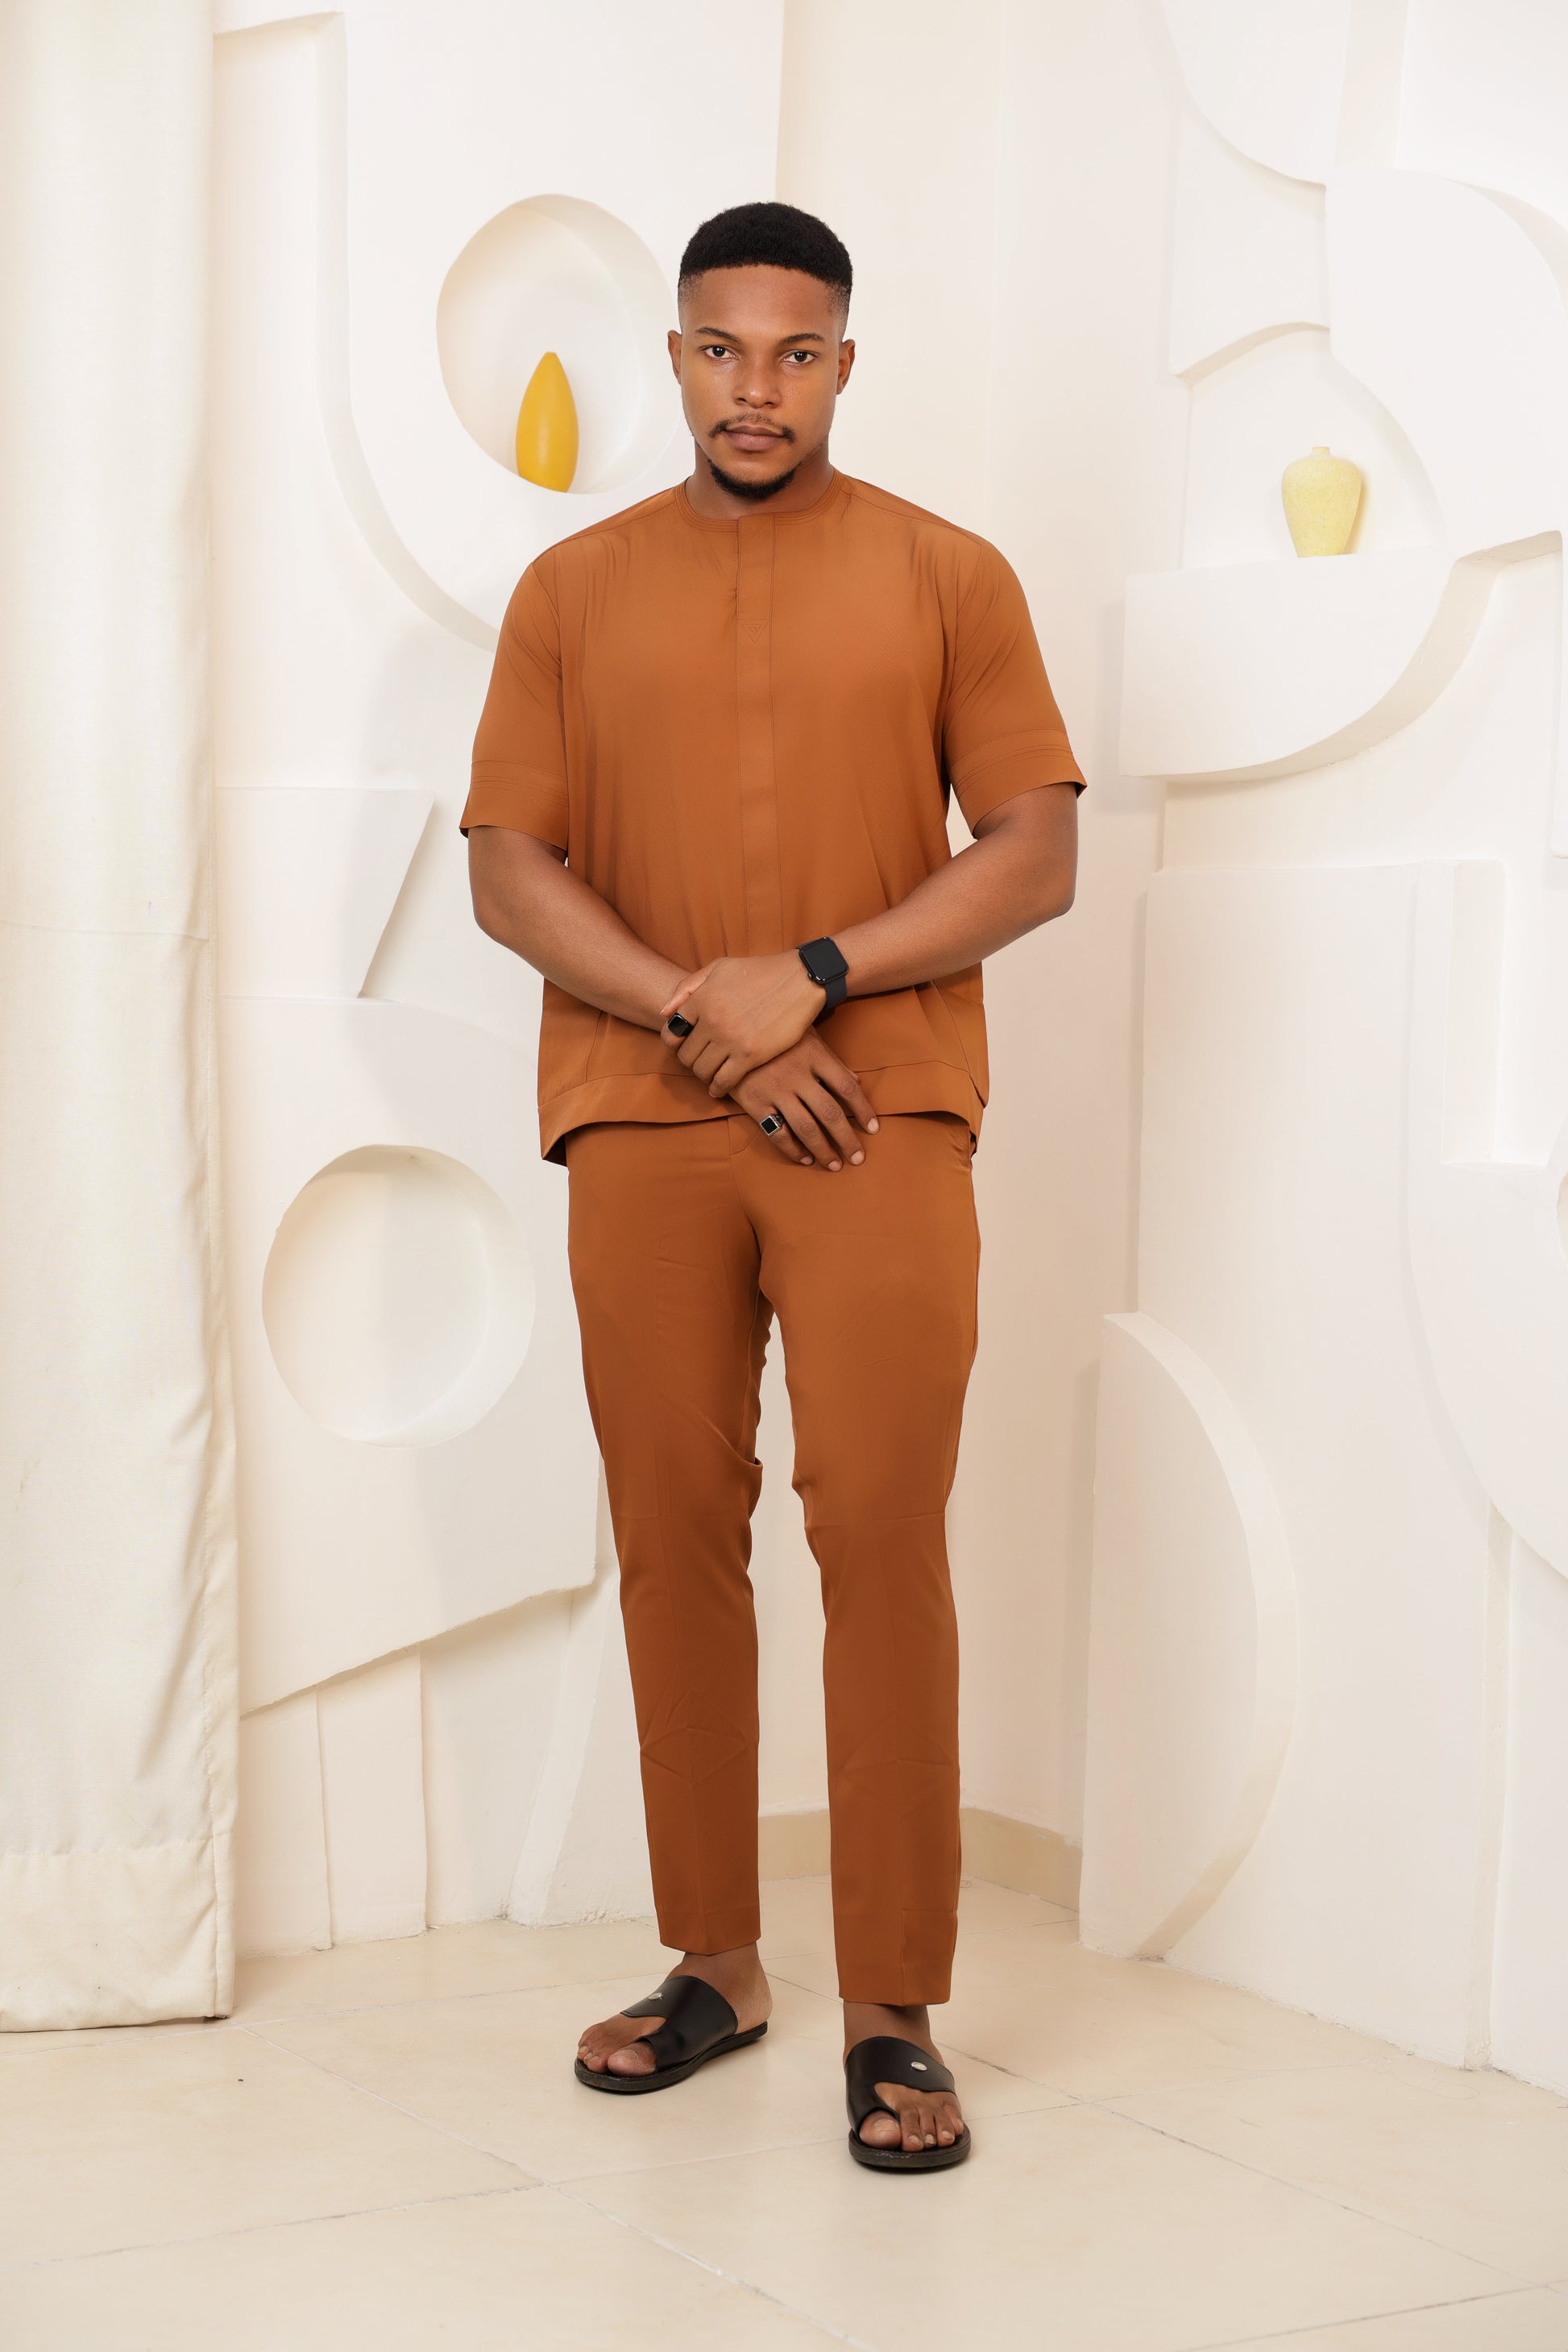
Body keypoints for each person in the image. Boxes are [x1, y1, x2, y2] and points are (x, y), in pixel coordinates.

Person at [462, 200, 1085, 2172]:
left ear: (843, 362)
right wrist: (703, 1010)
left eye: (794, 353)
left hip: (878, 1110)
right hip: (640, 1115)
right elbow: (508, 868)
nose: (757, 387)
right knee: (673, 1531)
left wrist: (813, 973)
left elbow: (1036, 847)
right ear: (673, 357)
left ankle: (894, 2003)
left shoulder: (948, 573)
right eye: (721, 349)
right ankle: (715, 1962)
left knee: (879, 1524)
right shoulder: (569, 588)